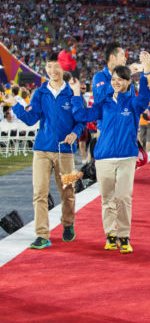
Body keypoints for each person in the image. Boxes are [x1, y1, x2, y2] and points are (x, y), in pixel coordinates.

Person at [71, 52, 150, 254]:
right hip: (104, 157)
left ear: (128, 81)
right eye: (114, 80)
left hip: (126, 157)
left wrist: (146, 71)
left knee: (124, 198)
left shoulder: (133, 104)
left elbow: (145, 95)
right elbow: (81, 115)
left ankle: (124, 236)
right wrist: (75, 94)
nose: (116, 83)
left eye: (121, 80)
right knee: (107, 198)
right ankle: (110, 234)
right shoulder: (103, 104)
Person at [6, 53, 84, 249]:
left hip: (65, 152)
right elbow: (31, 119)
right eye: (49, 66)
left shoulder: (72, 93)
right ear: (45, 69)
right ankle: (42, 235)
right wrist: (15, 104)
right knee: (39, 192)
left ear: (63, 69)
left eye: (56, 66)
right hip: (41, 150)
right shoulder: (40, 93)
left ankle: (68, 223)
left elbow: (81, 120)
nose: (52, 70)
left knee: (68, 191)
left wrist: (75, 133)